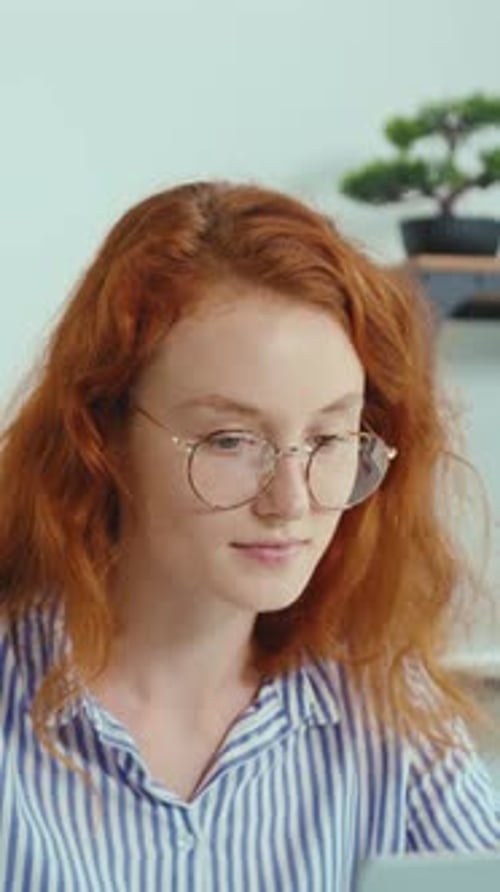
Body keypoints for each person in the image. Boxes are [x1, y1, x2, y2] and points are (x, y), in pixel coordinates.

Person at [0, 180, 498, 891]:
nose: (290, 502)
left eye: (329, 437)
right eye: (231, 440)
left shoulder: (388, 710)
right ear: (102, 434)